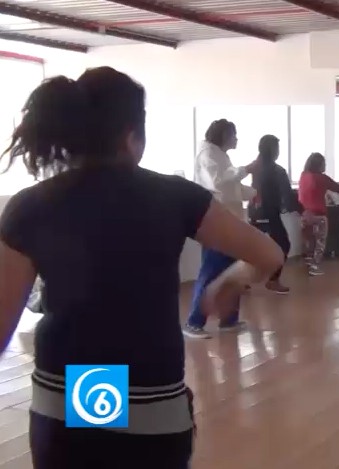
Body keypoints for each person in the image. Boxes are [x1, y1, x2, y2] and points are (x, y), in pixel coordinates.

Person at [0, 67, 283, 469]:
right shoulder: (174, 196)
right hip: (151, 405)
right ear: (132, 137)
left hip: (64, 402)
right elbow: (269, 256)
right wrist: (229, 281)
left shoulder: (29, 206)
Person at [185, 118, 258, 338]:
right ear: (224, 136)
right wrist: (247, 169)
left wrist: (253, 193)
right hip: (215, 223)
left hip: (231, 222)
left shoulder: (221, 156)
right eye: (233, 135)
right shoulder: (207, 155)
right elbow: (218, 183)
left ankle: (229, 320)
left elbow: (230, 188)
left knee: (234, 273)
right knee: (211, 272)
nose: (236, 139)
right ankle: (194, 323)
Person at [298, 152, 339, 276]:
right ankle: (315, 266)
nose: (325, 166)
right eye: (324, 163)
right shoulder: (322, 178)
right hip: (319, 216)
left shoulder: (303, 176)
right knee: (320, 243)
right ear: (319, 164)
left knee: (309, 242)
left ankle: (308, 264)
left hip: (305, 215)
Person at [249, 135, 297, 294]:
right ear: (272, 150)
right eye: (277, 148)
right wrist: (298, 209)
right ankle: (273, 279)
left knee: (250, 247)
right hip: (269, 212)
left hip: (254, 211)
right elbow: (287, 195)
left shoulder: (255, 167)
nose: (278, 152)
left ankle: (242, 280)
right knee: (284, 244)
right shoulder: (277, 170)